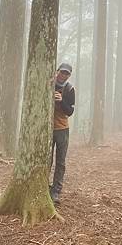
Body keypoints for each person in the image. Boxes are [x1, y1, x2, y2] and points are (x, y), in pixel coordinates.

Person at [50, 62, 75, 204]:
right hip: (46, 129)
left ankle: (56, 191)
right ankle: (42, 186)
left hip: (62, 129)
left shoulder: (70, 89)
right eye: (62, 72)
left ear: (69, 75)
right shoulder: (48, 82)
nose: (63, 75)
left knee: (60, 161)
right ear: (57, 71)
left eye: (67, 73)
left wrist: (61, 101)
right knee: (47, 160)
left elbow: (70, 111)